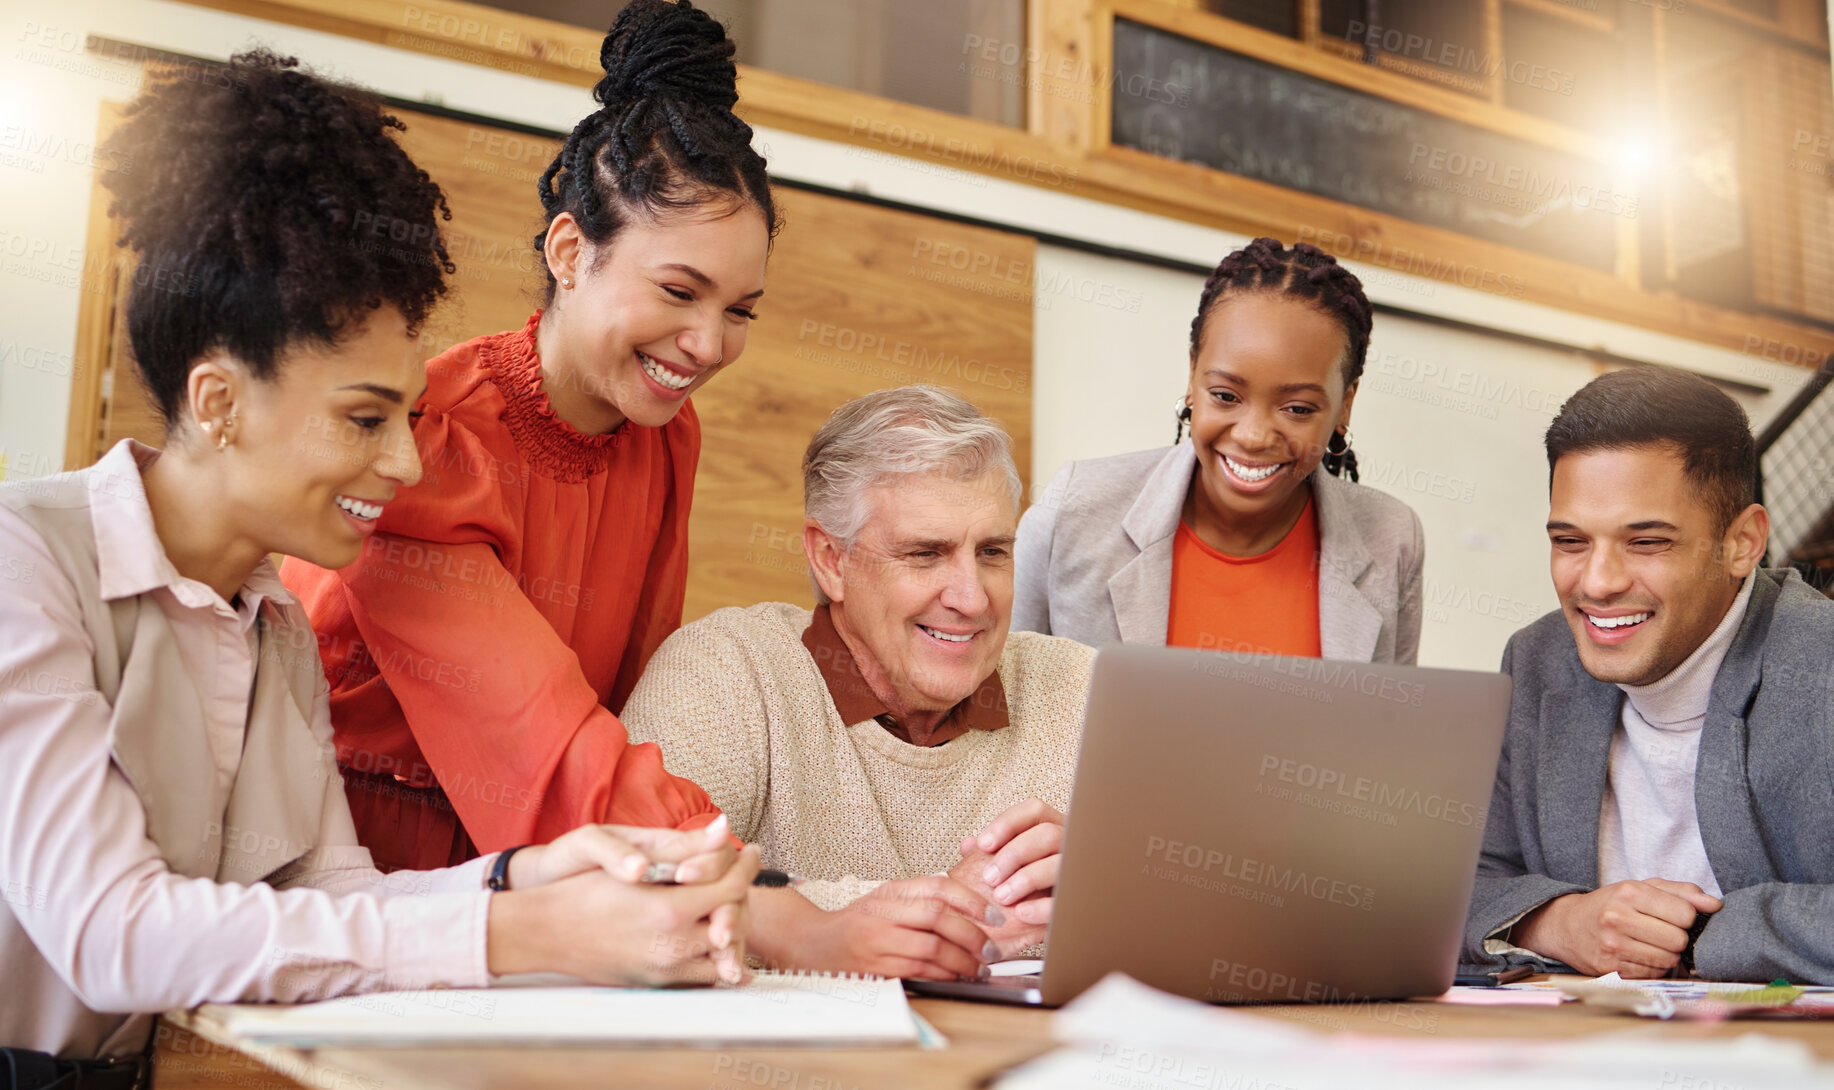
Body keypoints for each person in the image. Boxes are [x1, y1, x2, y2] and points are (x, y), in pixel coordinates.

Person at [0, 51, 757, 1071]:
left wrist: (523, 877)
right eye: (365, 418)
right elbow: (110, 933)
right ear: (219, 401)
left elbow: (331, 897)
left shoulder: (275, 627)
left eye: (406, 414)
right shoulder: (24, 562)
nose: (405, 461)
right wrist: (518, 932)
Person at [282, 0, 776, 871]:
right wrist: (746, 881)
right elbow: (537, 745)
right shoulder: (427, 441)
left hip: (569, 851)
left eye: (738, 311)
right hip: (364, 870)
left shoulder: (662, 430)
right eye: (677, 292)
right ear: (570, 252)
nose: (709, 345)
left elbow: (625, 709)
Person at [623, 387, 1094, 980]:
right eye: (925, 553)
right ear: (831, 560)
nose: (973, 598)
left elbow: (1213, 908)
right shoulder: (724, 672)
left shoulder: (1085, 688)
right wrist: (947, 912)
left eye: (993, 552)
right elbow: (632, 892)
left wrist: (1105, 899)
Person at [1464, 367, 1834, 982]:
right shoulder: (1536, 662)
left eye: (1647, 542)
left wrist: (1696, 935)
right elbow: (1452, 885)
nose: (1598, 582)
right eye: (1571, 541)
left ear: (1743, 542)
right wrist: (1560, 920)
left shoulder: (1819, 663)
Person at [1014, 238, 1423, 663]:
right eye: (1226, 396)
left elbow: (1389, 726)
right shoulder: (1075, 511)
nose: (1253, 436)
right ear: (1193, 375)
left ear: (1346, 404)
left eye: (1298, 408)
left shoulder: (1392, 539)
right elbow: (999, 707)